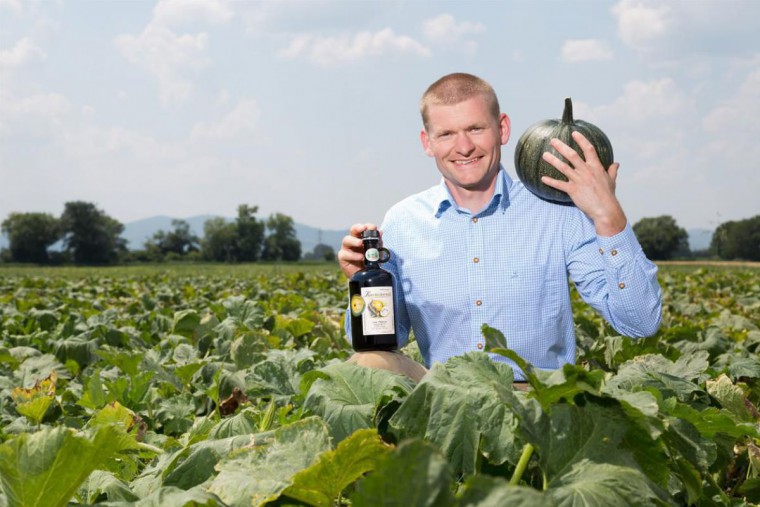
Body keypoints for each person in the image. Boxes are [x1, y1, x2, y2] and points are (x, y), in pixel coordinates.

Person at [338, 72, 662, 381]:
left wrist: (608, 216)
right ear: (428, 142)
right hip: (444, 401)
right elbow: (383, 342)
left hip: (535, 401)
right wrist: (361, 283)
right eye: (447, 134)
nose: (463, 147)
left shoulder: (558, 212)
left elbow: (640, 323)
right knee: (367, 365)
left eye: (476, 129)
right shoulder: (403, 221)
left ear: (502, 129)